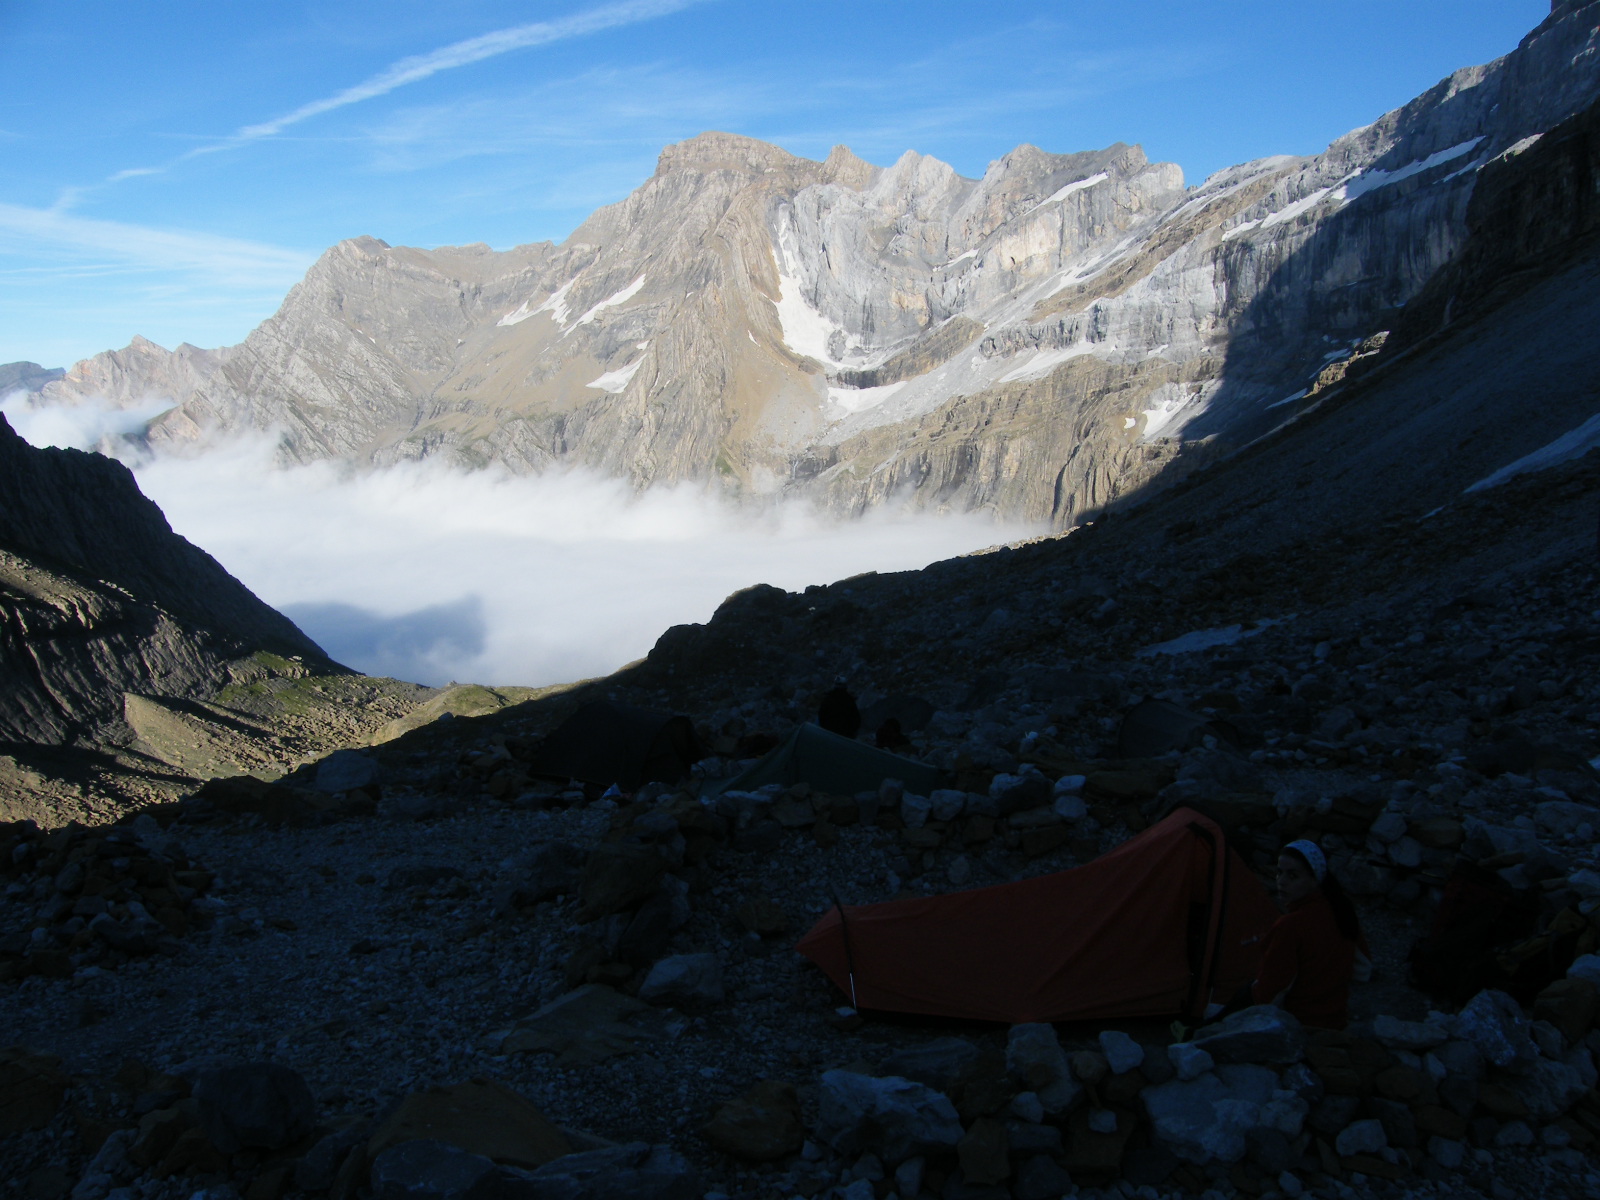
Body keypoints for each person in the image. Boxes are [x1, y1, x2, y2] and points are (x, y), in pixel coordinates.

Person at [1250, 839, 1368, 1029]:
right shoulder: (1342, 911)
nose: (1282, 881)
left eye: (1293, 876)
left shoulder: (1291, 925)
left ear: (1314, 879)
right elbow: (1363, 969)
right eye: (1279, 873)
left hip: (1300, 1024)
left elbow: (1270, 991)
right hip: (1336, 1020)